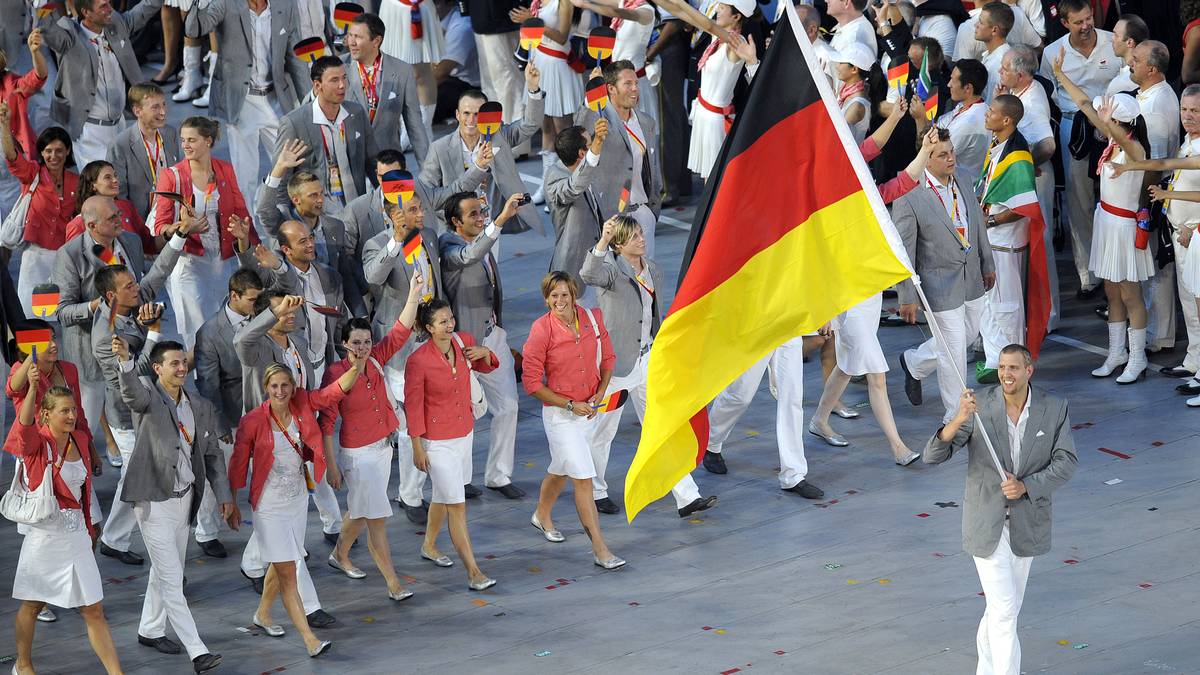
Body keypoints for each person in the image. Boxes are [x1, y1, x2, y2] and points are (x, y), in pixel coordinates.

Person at [924, 344, 1077, 675]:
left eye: (1013, 368)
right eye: (1002, 367)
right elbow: (932, 456)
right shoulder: (978, 407)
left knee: (1003, 609)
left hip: (1028, 523)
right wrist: (959, 417)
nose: (1006, 374)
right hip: (986, 524)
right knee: (1005, 610)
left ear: (1028, 371)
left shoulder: (1054, 408)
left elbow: (1066, 462)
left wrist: (1026, 486)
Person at [582, 216, 718, 517]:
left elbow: (654, 315)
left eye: (641, 234)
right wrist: (603, 240)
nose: (642, 239)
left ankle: (687, 496)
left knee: (660, 428)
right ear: (619, 244)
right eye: (634, 237)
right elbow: (588, 273)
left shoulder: (654, 270)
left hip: (648, 361)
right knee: (603, 431)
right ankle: (595, 491)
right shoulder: (611, 271)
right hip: (617, 368)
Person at [230, 359, 365, 658]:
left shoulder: (302, 403)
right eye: (274, 386)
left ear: (293, 387)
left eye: (285, 385)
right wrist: (231, 502)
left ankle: (263, 614)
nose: (280, 391)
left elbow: (331, 393)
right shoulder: (253, 420)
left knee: (285, 562)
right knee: (289, 572)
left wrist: (357, 367)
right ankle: (309, 639)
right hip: (268, 506)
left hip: (297, 500)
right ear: (266, 388)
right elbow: (238, 463)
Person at [113, 338, 231, 673]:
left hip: (186, 501)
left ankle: (150, 629)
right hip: (154, 502)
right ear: (157, 368)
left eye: (183, 363)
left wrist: (224, 496)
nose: (182, 368)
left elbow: (211, 455)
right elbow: (131, 394)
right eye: (174, 363)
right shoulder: (149, 396)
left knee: (166, 570)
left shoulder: (199, 405)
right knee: (172, 578)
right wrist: (125, 363)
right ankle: (198, 652)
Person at [7, 371, 122, 675]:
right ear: (46, 414)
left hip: (76, 536)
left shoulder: (80, 439)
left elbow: (83, 491)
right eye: (64, 411)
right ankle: (23, 664)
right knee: (32, 605)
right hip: (45, 537)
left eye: (73, 410)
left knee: (93, 609)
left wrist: (89, 527)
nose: (72, 416)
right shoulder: (37, 444)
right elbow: (24, 426)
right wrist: (32, 387)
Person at [1052, 55, 1154, 384]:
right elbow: (1083, 103)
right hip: (1106, 222)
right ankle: (1116, 353)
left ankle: (1137, 358)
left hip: (1124, 227)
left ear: (1120, 121)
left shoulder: (1135, 149)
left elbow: (1124, 140)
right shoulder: (1112, 140)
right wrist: (1059, 74)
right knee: (1112, 292)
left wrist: (1109, 124)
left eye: (1108, 116)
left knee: (1130, 294)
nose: (1100, 118)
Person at [91, 231, 189, 565]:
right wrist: (154, 331)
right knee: (139, 479)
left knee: (135, 478)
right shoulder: (105, 336)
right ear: (111, 296)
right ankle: (144, 547)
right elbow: (134, 371)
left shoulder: (129, 301)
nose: (138, 288)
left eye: (134, 283)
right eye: (129, 286)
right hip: (126, 415)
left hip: (148, 406)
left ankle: (114, 539)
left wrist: (180, 235)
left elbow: (159, 272)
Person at [321, 281, 422, 598]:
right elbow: (327, 424)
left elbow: (401, 330)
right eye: (356, 342)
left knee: (361, 511)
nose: (362, 347)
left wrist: (414, 295)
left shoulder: (377, 357)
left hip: (383, 451)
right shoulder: (335, 373)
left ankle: (339, 554)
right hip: (357, 455)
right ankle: (393, 583)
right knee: (376, 518)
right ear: (344, 344)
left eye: (366, 341)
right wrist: (332, 466)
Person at [522, 271, 625, 569]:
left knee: (561, 469)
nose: (560, 300)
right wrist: (569, 404)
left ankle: (541, 515)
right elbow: (531, 383)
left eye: (564, 294)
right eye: (553, 295)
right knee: (583, 478)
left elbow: (608, 359)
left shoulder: (593, 318)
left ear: (574, 295)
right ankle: (600, 550)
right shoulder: (541, 330)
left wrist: (600, 391)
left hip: (589, 412)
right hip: (561, 418)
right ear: (546, 299)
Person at [895, 129, 997, 422]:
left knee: (968, 336)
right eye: (943, 155)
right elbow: (904, 250)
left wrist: (987, 263)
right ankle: (956, 416)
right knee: (953, 350)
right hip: (937, 284)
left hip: (971, 276)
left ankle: (914, 362)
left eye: (952, 151)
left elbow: (976, 223)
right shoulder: (909, 193)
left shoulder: (962, 177)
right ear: (926, 158)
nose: (951, 158)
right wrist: (906, 295)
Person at [56, 195, 158, 471]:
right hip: (90, 355)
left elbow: (141, 286)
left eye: (118, 214)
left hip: (130, 349)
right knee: (81, 427)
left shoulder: (131, 242)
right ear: (92, 226)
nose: (119, 220)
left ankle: (120, 455)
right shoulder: (69, 254)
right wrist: (99, 305)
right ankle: (73, 481)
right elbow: (62, 312)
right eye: (112, 218)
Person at [1112, 85, 1200, 394]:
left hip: (1195, 234)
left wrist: (1167, 195)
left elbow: (1165, 167)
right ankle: (1194, 360)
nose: (1188, 116)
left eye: (1195, 111)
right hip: (1181, 233)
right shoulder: (1189, 141)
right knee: (1189, 303)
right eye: (1185, 110)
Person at [405, 298, 498, 589]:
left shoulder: (463, 341)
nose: (449, 325)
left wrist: (485, 352)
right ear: (429, 328)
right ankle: (474, 572)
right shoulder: (418, 361)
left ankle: (429, 545)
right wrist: (417, 447)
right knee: (457, 506)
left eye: (451, 319)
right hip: (437, 442)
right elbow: (413, 407)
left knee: (444, 496)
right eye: (443, 322)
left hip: (463, 433)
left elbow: (487, 367)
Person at [363, 192, 445, 520]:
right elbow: (373, 277)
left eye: (421, 207)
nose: (421, 214)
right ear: (393, 216)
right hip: (398, 348)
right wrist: (395, 241)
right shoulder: (377, 244)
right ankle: (409, 496)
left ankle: (416, 487)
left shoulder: (428, 237)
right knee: (411, 423)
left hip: (429, 341)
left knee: (423, 419)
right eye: (412, 210)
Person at [439, 191, 526, 498]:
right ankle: (460, 480)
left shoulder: (481, 239)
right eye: (473, 214)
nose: (481, 218)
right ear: (455, 221)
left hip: (493, 335)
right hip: (464, 342)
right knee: (464, 413)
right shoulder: (449, 246)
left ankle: (499, 475)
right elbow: (469, 256)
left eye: (482, 211)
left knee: (508, 406)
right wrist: (500, 220)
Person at [185, 0, 310, 203]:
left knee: (291, 167)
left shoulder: (285, 5)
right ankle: (248, 222)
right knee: (245, 177)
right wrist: (197, 3)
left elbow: (295, 56)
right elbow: (194, 29)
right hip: (242, 102)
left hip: (276, 100)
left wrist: (309, 103)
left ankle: (283, 218)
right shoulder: (225, 3)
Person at [152, 116, 257, 352]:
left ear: (208, 141)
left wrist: (253, 246)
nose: (185, 145)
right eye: (183, 140)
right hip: (188, 263)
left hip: (222, 262)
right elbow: (160, 226)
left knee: (226, 326)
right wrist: (183, 227)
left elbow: (241, 211)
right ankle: (201, 373)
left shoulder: (225, 169)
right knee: (198, 332)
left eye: (192, 140)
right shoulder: (171, 176)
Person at [1039, 0, 1120, 300]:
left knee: (1118, 198)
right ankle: (1089, 275)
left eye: (1088, 19)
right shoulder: (1052, 53)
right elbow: (1049, 94)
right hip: (1073, 126)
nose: (1086, 26)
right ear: (1064, 23)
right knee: (1078, 200)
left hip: (1115, 127)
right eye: (1078, 22)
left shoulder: (1113, 41)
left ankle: (1119, 272)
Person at [191, 268, 265, 558]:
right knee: (217, 475)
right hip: (229, 416)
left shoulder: (261, 318)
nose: (257, 306)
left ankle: (269, 532)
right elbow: (208, 385)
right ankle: (206, 531)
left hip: (261, 410)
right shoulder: (209, 333)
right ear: (234, 296)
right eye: (252, 300)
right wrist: (220, 426)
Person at [39, 0, 164, 167]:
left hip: (120, 124)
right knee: (98, 182)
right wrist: (40, 4)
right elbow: (47, 30)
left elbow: (144, 10)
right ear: (86, 12)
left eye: (109, 3)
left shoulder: (115, 23)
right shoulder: (69, 35)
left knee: (123, 179)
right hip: (90, 132)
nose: (110, 9)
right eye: (103, 6)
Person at [421, 67, 545, 234]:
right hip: (456, 228)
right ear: (457, 115)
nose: (471, 120)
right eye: (466, 113)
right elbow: (427, 194)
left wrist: (533, 89)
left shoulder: (499, 137)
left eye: (478, 114)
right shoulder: (439, 148)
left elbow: (530, 124)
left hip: (491, 223)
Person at [256, 141, 361, 315]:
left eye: (321, 193)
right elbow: (264, 209)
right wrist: (279, 168)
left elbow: (345, 274)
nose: (320, 199)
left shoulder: (335, 226)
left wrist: (360, 314)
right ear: (296, 200)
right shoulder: (282, 223)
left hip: (330, 311)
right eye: (313, 195)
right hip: (295, 311)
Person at [996, 46, 1059, 331]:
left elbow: (1048, 145)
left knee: (1038, 244)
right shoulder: (1022, 92)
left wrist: (1023, 165)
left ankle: (1047, 315)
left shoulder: (1031, 102)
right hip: (1026, 178)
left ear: (1020, 75)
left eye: (1005, 69)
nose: (1000, 72)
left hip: (1033, 179)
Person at [575, 60, 666, 257]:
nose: (635, 89)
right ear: (611, 88)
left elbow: (653, 167)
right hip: (612, 219)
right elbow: (578, 131)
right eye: (628, 84)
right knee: (615, 275)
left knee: (645, 272)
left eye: (636, 83)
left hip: (643, 213)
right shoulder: (599, 119)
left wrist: (652, 211)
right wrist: (590, 97)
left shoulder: (646, 122)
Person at [976, 95, 1035, 382]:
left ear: (1007, 120)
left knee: (1006, 305)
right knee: (988, 301)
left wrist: (990, 220)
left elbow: (1025, 206)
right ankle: (994, 359)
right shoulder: (998, 145)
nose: (986, 115)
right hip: (993, 237)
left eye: (992, 111)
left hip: (1005, 240)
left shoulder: (1018, 154)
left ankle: (1015, 364)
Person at [1130, 40, 1182, 355]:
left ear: (1151, 69)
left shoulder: (1156, 107)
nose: (1130, 62)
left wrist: (1141, 206)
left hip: (1154, 194)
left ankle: (1160, 336)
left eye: (1136, 59)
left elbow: (1155, 164)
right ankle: (1157, 331)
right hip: (1152, 191)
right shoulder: (1153, 95)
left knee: (1156, 266)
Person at [0, 111, 78, 314]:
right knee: (32, 314)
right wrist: (4, 125)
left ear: (68, 151)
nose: (54, 156)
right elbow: (12, 157)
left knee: (60, 313)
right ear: (41, 153)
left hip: (64, 257)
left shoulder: (76, 182)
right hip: (35, 256)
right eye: (48, 151)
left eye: (59, 150)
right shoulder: (32, 173)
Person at [509, 0, 584, 204]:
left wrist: (532, 20)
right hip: (539, 61)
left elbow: (561, 37)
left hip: (557, 65)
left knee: (563, 131)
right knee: (547, 129)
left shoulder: (565, 2)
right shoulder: (539, 1)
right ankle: (547, 186)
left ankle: (568, 186)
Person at [679, 0, 760, 181]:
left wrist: (679, 2)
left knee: (715, 180)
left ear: (736, 16)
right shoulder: (717, 37)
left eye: (722, 7)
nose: (718, 10)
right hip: (703, 113)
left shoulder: (736, 42)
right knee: (707, 179)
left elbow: (706, 23)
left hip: (716, 121)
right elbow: (683, 14)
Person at [345, 13, 431, 165]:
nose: (351, 42)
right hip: (351, 163)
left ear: (376, 41)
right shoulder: (339, 68)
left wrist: (427, 170)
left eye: (358, 37)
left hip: (389, 162)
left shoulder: (402, 71)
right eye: (350, 35)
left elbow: (415, 125)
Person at [576, 0, 660, 123]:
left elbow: (616, 12)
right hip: (615, 79)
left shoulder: (647, 11)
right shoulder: (626, 3)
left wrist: (585, 5)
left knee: (636, 127)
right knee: (614, 127)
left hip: (634, 82)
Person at [546, 120, 607, 289]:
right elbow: (574, 187)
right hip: (574, 271)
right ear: (582, 153)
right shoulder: (555, 178)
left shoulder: (591, 169)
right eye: (590, 144)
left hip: (600, 261)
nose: (595, 147)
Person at [107, 83, 181, 217]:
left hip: (172, 212)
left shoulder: (170, 133)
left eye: (164, 104)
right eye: (155, 107)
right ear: (137, 111)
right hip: (141, 219)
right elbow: (118, 194)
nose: (163, 112)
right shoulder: (119, 145)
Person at [378, 0, 445, 140]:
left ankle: (424, 127)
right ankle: (405, 128)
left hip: (419, 5)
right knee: (395, 70)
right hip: (393, 6)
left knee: (421, 72)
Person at [0, 28, 48, 216]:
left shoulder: (10, 84)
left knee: (16, 218)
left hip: (11, 165)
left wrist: (35, 53)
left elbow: (38, 77)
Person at [922, 59, 990, 191]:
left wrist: (920, 119)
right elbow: (939, 125)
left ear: (968, 88)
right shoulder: (968, 107)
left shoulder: (968, 123)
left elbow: (931, 154)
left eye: (953, 80)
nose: (948, 84)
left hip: (961, 190)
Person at [65, 162, 156, 254]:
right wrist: (113, 260)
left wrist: (165, 235)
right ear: (93, 185)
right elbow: (75, 258)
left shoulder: (127, 207)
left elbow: (149, 244)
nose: (115, 180)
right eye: (108, 177)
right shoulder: (78, 224)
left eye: (115, 175)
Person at [433, 0, 483, 123]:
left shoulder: (461, 26)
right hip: (448, 79)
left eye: (435, 3)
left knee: (420, 105)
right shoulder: (436, 21)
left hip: (466, 85)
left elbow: (440, 73)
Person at [831, 43, 874, 145]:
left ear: (854, 69)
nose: (837, 67)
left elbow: (835, 138)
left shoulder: (857, 106)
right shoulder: (845, 92)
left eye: (841, 63)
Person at [976, 2, 1015, 103]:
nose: (976, 25)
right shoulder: (995, 55)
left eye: (980, 22)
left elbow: (992, 105)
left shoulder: (998, 64)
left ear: (994, 30)